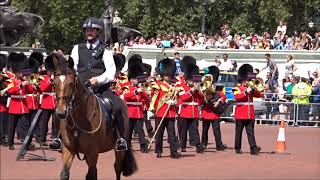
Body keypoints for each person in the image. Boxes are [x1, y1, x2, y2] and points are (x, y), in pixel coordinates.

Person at [70, 17, 126, 150]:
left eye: (92, 30)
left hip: (100, 88)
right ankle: (59, 137)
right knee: (63, 106)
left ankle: (120, 138)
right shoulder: (77, 48)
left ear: (98, 32)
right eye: (87, 30)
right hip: (80, 87)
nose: (89, 32)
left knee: (117, 106)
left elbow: (111, 71)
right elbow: (72, 68)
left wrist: (98, 80)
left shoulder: (105, 50)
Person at [148, 58, 181, 159]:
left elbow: (177, 98)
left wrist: (175, 101)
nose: (168, 77)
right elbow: (154, 97)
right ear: (163, 75)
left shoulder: (174, 87)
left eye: (169, 75)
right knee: (159, 133)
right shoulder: (158, 85)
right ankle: (158, 151)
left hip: (170, 113)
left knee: (172, 134)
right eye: (166, 75)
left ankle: (173, 152)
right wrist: (151, 108)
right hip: (160, 112)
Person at [233, 64, 263, 155]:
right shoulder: (237, 88)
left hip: (250, 114)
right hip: (240, 114)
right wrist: (246, 91)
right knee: (239, 132)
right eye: (246, 80)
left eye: (248, 79)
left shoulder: (250, 88)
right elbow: (238, 97)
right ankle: (237, 148)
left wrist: (254, 90)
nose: (247, 81)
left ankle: (253, 148)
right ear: (242, 80)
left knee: (250, 132)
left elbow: (259, 95)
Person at [123, 57, 149, 153]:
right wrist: (135, 92)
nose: (136, 80)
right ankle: (127, 146)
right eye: (135, 79)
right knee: (128, 131)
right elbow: (125, 96)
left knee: (140, 131)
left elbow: (146, 98)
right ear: (131, 79)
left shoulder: (139, 87)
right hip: (130, 111)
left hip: (138, 112)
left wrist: (142, 91)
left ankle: (143, 146)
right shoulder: (127, 87)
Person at [178, 63, 204, 153]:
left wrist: (198, 91)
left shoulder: (196, 88)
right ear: (187, 80)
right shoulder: (182, 87)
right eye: (190, 80)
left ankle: (198, 145)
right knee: (184, 130)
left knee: (194, 130)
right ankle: (183, 146)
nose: (191, 81)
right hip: (185, 111)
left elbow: (202, 98)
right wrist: (191, 91)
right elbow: (183, 98)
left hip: (194, 112)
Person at [201, 66, 227, 151]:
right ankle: (203, 144)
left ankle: (219, 145)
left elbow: (223, 97)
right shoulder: (203, 88)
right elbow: (201, 99)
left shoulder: (216, 88)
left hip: (214, 112)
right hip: (206, 111)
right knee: (205, 130)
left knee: (216, 130)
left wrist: (218, 102)